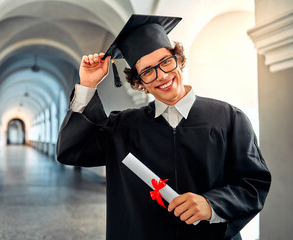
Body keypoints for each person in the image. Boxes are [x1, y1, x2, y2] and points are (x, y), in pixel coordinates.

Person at [57, 14, 271, 240]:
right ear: (139, 82)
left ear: (178, 59)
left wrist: (213, 204)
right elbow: (71, 151)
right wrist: (88, 84)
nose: (162, 75)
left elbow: (253, 184)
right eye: (148, 71)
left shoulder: (229, 118)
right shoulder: (122, 127)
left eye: (166, 61)